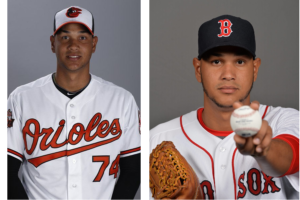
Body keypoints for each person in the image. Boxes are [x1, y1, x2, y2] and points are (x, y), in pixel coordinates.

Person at [150, 15, 299, 199]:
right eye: (216, 62)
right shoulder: (156, 139)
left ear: (255, 68)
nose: (228, 74)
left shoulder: (285, 120)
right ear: (198, 69)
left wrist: (265, 151)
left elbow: (292, 157)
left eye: (240, 62)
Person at [8, 6, 140, 199]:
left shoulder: (122, 100)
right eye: (65, 37)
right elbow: (6, 172)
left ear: (94, 44)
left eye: (82, 37)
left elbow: (133, 171)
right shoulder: (21, 98)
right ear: (53, 43)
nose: (73, 45)